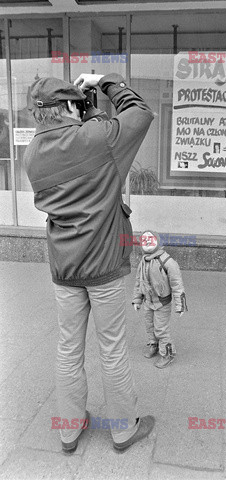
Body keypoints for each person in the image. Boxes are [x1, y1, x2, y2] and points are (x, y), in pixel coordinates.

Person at [24, 72, 155, 454]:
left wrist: (88, 111)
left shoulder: (32, 153)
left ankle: (69, 430)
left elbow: (89, 143)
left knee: (68, 348)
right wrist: (107, 81)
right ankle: (122, 430)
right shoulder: (95, 140)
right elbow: (140, 113)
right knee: (111, 348)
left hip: (64, 267)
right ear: (68, 107)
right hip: (103, 266)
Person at [132, 231, 187, 368]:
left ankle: (168, 354)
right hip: (148, 302)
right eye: (145, 241)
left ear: (158, 241)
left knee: (161, 329)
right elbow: (139, 281)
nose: (148, 243)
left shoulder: (168, 262)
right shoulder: (143, 261)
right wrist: (137, 299)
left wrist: (180, 305)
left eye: (151, 240)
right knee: (149, 326)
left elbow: (177, 284)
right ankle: (153, 344)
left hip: (162, 303)